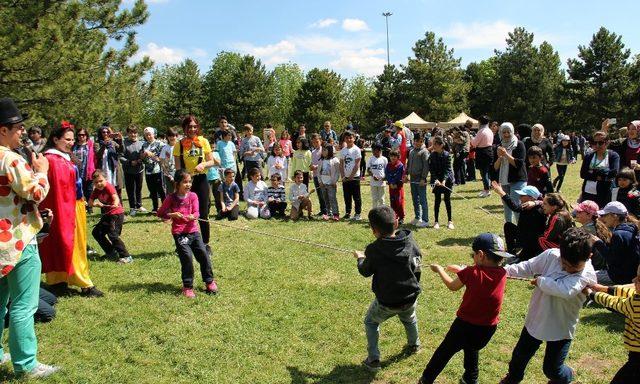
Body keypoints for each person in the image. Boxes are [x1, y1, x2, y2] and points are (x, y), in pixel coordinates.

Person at [0, 97, 59, 378]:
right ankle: (26, 365)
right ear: (3, 130)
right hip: (19, 241)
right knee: (24, 304)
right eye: (18, 127)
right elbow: (35, 192)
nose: (22, 132)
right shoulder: (10, 159)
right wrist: (42, 173)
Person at [499, 228, 596, 384]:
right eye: (564, 263)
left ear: (589, 257)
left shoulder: (587, 274)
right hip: (537, 318)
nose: (567, 269)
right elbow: (527, 267)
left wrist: (540, 281)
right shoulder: (552, 256)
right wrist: (503, 272)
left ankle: (567, 375)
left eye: (573, 266)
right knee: (519, 357)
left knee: (552, 369)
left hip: (561, 326)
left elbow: (565, 290)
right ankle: (513, 378)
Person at [418, 233, 512, 384]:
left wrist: (439, 270)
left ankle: (426, 379)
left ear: (480, 255)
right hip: (487, 329)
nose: (473, 257)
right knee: (471, 347)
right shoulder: (502, 273)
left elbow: (452, 286)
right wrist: (462, 270)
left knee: (444, 352)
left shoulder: (471, 272)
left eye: (473, 254)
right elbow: (480, 276)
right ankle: (470, 378)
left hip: (464, 326)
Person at [355, 205, 422, 371]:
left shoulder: (374, 250)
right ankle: (414, 345)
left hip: (387, 302)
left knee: (370, 322)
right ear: (397, 223)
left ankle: (373, 360)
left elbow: (365, 271)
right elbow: (417, 264)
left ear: (373, 230)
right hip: (411, 296)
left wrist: (360, 259)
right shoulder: (410, 241)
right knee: (409, 318)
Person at [40, 126, 103, 298]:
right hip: (65, 207)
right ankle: (83, 284)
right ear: (55, 139)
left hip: (73, 204)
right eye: (67, 139)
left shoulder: (62, 158)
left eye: (72, 139)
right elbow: (58, 190)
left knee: (68, 242)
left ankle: (58, 280)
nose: (71, 142)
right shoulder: (53, 160)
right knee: (71, 244)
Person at [157, 169, 218, 298]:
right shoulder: (171, 198)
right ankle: (187, 286)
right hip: (180, 234)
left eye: (190, 182)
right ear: (177, 183)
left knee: (204, 255)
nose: (188, 185)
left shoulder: (193, 196)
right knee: (187, 258)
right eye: (185, 182)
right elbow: (160, 213)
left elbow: (197, 213)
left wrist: (193, 216)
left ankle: (209, 281)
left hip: (193, 231)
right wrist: (171, 215)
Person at [585, 265, 640, 383]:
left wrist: (591, 294)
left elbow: (613, 302)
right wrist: (604, 288)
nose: (634, 280)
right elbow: (630, 291)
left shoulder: (635, 305)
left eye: (639, 279)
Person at [174, 115, 215, 256]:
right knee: (184, 213)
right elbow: (178, 168)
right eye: (189, 126)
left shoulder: (203, 141)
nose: (192, 129)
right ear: (184, 128)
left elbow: (211, 161)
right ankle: (184, 243)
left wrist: (203, 164)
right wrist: (184, 179)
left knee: (203, 213)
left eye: (194, 126)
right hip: (186, 182)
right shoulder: (178, 145)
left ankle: (205, 244)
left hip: (201, 179)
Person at [491, 182, 546, 261]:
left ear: (531, 197)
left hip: (532, 242)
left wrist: (501, 192)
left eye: (522, 195)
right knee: (508, 226)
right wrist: (536, 202)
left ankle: (519, 254)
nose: (520, 198)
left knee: (522, 260)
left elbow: (514, 207)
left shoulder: (538, 209)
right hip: (524, 235)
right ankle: (511, 252)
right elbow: (516, 208)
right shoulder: (530, 205)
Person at [88, 170, 132, 264]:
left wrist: (116, 203)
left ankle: (126, 257)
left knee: (112, 234)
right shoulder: (96, 190)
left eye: (101, 181)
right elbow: (90, 203)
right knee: (97, 232)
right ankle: (111, 252)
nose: (99, 184)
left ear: (106, 179)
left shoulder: (109, 186)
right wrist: (97, 204)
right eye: (96, 182)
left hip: (116, 214)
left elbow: (115, 197)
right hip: (108, 215)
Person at [591, 201, 640, 285]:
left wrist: (598, 242)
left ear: (614, 216)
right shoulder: (631, 228)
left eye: (605, 215)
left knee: (589, 278)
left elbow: (612, 259)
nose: (602, 218)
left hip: (620, 277)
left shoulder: (618, 234)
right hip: (630, 274)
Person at [494, 122, 527, 224]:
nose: (506, 134)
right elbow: (495, 167)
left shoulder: (519, 144)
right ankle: (509, 228)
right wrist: (500, 157)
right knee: (506, 205)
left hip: (517, 179)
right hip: (504, 180)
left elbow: (519, 164)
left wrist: (506, 154)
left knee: (515, 205)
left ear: (512, 132)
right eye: (504, 132)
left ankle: (520, 228)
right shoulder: (499, 146)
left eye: (508, 132)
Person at [580, 130, 619, 208]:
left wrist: (592, 172)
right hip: (588, 191)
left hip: (605, 192)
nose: (597, 145)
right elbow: (583, 174)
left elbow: (613, 173)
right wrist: (601, 174)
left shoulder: (613, 156)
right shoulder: (589, 156)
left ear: (607, 142)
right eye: (595, 143)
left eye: (600, 143)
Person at [572, 200, 609, 270]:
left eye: (579, 212)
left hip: (593, 267)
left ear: (589, 215)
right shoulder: (597, 226)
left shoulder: (585, 231)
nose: (576, 213)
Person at [429, 136, 454, 230]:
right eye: (433, 144)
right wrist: (436, 180)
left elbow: (448, 169)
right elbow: (431, 170)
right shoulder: (432, 155)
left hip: (447, 181)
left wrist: (444, 180)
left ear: (441, 145)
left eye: (435, 144)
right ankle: (436, 221)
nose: (433, 146)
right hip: (436, 181)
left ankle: (450, 221)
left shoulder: (447, 155)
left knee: (447, 200)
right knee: (437, 201)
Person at [119, 125, 145, 215]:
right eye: (131, 132)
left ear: (137, 133)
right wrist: (130, 162)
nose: (133, 134)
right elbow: (120, 157)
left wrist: (141, 159)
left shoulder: (141, 143)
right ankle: (132, 208)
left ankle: (139, 205)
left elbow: (144, 155)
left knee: (139, 188)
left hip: (139, 170)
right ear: (128, 133)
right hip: (128, 170)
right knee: (130, 190)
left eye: (134, 132)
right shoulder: (124, 143)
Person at [406, 132, 429, 228]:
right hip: (412, 179)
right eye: (415, 141)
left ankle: (425, 219)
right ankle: (417, 217)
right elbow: (408, 164)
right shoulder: (411, 151)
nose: (416, 143)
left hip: (421, 179)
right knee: (415, 199)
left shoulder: (424, 152)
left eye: (419, 141)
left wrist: (423, 178)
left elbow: (426, 166)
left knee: (422, 200)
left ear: (422, 141)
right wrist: (406, 174)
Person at [141, 127, 166, 213]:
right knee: (152, 191)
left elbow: (162, 159)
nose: (148, 136)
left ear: (154, 134)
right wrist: (143, 156)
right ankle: (155, 208)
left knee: (161, 190)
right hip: (148, 171)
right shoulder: (144, 145)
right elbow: (142, 159)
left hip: (158, 170)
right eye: (146, 135)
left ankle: (165, 208)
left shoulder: (161, 144)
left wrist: (151, 154)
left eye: (149, 134)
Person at [72, 127, 96, 213]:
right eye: (79, 135)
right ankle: (81, 207)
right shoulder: (73, 145)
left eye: (83, 135)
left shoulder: (90, 145)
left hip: (87, 171)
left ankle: (89, 208)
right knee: (78, 190)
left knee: (89, 190)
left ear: (86, 135)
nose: (81, 137)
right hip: (76, 172)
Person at [340, 130, 362, 221]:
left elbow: (357, 164)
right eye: (347, 138)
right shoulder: (343, 150)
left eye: (351, 138)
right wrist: (343, 176)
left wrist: (352, 176)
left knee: (356, 196)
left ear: (354, 138)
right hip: (345, 178)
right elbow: (341, 164)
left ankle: (357, 213)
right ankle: (348, 212)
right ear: (344, 139)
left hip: (355, 177)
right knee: (347, 196)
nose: (349, 139)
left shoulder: (356, 149)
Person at [470, 115, 494, 197]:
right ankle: (486, 188)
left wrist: (471, 138)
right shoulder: (489, 131)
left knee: (483, 173)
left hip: (482, 152)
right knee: (486, 171)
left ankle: (487, 190)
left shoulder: (481, 131)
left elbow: (474, 143)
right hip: (489, 151)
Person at [319, 144, 340, 221]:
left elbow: (338, 172)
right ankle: (328, 213)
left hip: (331, 184)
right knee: (326, 199)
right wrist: (320, 181)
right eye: (323, 150)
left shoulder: (335, 160)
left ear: (330, 151)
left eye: (325, 150)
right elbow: (318, 172)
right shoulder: (321, 160)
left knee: (332, 199)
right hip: (323, 184)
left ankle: (336, 214)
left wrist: (334, 181)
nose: (323, 152)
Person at [385, 150, 405, 225]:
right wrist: (390, 183)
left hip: (398, 187)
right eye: (391, 156)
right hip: (391, 187)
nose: (393, 158)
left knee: (399, 202)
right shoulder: (388, 165)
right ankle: (394, 216)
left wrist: (395, 183)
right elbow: (387, 174)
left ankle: (401, 217)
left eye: (395, 156)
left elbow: (399, 176)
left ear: (398, 157)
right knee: (392, 201)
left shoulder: (400, 165)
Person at [310, 133, 327, 216]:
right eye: (313, 142)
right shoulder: (312, 152)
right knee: (319, 193)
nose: (315, 144)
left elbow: (324, 162)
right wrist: (311, 167)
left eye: (317, 142)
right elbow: (311, 164)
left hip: (323, 176)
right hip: (315, 175)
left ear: (321, 141)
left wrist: (316, 166)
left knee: (324, 193)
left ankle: (327, 210)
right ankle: (323, 210)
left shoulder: (323, 151)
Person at [366, 143, 388, 209]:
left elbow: (386, 170)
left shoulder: (384, 159)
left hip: (381, 183)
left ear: (380, 151)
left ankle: (382, 214)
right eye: (372, 150)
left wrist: (384, 178)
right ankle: (374, 214)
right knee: (374, 199)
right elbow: (368, 170)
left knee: (381, 199)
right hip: (373, 182)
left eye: (375, 150)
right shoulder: (371, 159)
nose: (373, 152)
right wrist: (373, 175)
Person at [206, 143, 223, 217]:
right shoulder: (204, 154)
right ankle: (206, 213)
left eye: (213, 147)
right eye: (211, 147)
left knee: (218, 196)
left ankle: (219, 211)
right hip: (206, 178)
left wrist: (212, 156)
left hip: (216, 177)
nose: (212, 149)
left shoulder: (216, 153)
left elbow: (219, 163)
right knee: (207, 197)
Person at [160, 127, 178, 195]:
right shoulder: (165, 148)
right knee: (170, 194)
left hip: (178, 174)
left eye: (173, 135)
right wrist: (168, 174)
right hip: (168, 175)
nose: (172, 137)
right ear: (167, 137)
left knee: (180, 192)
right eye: (170, 136)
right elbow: (162, 162)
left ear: (176, 136)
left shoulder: (180, 146)